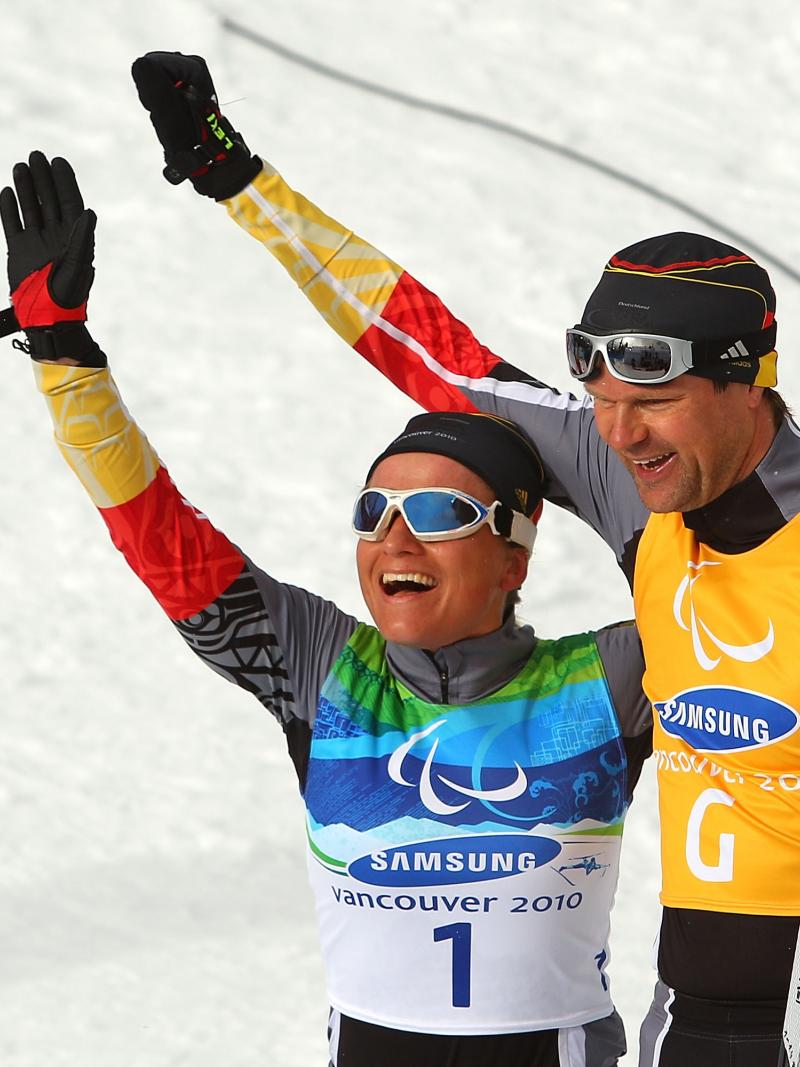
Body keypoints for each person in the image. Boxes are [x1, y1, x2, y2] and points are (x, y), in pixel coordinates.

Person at [127, 51, 800, 1066]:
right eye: (602, 404)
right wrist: (242, 186)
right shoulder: (647, 492)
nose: (616, 437)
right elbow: (427, 349)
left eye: (650, 402)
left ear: (748, 381)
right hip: (699, 1017)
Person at [1, 150, 652, 1067]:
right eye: (372, 513)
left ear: (516, 554)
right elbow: (161, 534)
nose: (395, 540)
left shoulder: (614, 675)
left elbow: (684, 545)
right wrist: (66, 358)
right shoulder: (324, 666)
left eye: (436, 513)